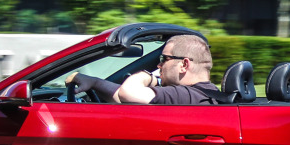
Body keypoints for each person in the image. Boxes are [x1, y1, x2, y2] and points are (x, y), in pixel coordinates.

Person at [72, 35, 222, 105]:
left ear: (184, 65)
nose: (159, 65)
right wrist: (95, 83)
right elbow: (123, 98)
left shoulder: (184, 95)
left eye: (164, 59)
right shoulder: (206, 94)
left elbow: (127, 93)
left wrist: (148, 77)